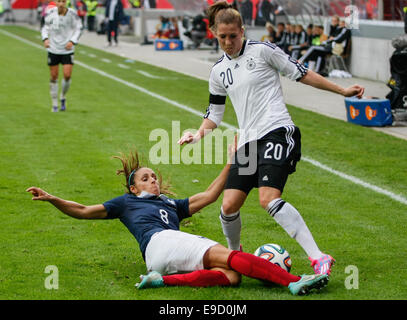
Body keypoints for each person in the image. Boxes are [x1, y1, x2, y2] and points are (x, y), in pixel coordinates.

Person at [178, 1, 365, 276]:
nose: (229, 42)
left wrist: (341, 90)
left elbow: (302, 73)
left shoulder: (263, 51)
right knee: (228, 207)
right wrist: (197, 134)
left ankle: (318, 257)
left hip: (277, 131)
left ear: (242, 30)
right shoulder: (218, 72)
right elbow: (215, 114)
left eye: (234, 35)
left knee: (267, 199)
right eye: (222, 37)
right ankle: (235, 259)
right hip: (248, 143)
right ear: (214, 34)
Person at [26, 149, 329, 295]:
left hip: (160, 257)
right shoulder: (125, 203)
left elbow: (210, 195)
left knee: (232, 276)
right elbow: (81, 210)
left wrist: (231, 163)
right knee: (232, 258)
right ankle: (294, 283)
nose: (153, 179)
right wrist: (53, 198)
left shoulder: (171, 204)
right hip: (162, 242)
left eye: (153, 175)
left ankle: (160, 280)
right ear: (134, 188)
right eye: (145, 178)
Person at [41, 0, 82, 112]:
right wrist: (45, 39)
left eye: (63, 1)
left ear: (66, 2)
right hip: (53, 48)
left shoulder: (72, 14)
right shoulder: (51, 13)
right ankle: (54, 103)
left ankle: (63, 96)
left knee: (67, 75)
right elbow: (45, 27)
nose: (61, 4)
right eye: (59, 1)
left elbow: (79, 28)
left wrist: (72, 41)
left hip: (67, 49)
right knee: (54, 76)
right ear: (56, 2)